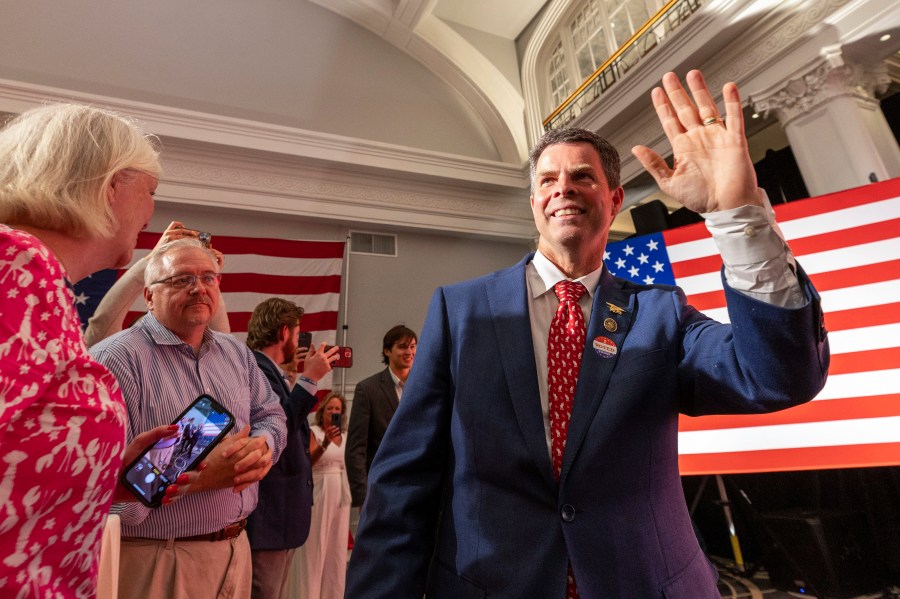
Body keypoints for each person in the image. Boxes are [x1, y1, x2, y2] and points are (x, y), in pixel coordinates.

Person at [345, 70, 830, 598]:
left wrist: (737, 216)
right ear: (534, 204)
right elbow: (403, 483)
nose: (564, 189)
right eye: (548, 181)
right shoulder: (459, 311)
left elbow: (781, 377)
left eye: (582, 177)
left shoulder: (661, 313)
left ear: (615, 198)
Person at [0, 103, 187, 598]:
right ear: (110, 187)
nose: (151, 211)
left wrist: (109, 475)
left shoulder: (36, 278)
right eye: (150, 192)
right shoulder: (16, 268)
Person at [90, 238, 288, 598]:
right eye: (182, 279)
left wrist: (263, 447)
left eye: (208, 277)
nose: (199, 288)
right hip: (159, 558)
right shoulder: (115, 360)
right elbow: (106, 497)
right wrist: (195, 478)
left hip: (235, 548)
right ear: (149, 296)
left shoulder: (236, 353)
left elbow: (272, 414)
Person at [243, 297, 338, 599]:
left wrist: (296, 377)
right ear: (284, 333)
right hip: (270, 512)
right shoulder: (257, 370)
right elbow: (278, 424)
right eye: (297, 333)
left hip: (282, 514)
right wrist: (310, 379)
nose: (298, 340)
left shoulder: (275, 373)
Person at [84, 220, 231, 346]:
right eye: (153, 332)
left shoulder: (221, 353)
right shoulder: (119, 353)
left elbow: (220, 335)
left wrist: (209, 271)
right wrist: (151, 259)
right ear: (149, 298)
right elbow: (102, 324)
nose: (199, 289)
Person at [345, 325, 417, 507]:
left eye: (413, 346)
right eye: (402, 346)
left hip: (418, 487)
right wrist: (362, 497)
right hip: (381, 488)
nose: (409, 352)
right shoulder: (368, 389)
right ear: (387, 351)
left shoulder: (424, 386)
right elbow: (356, 449)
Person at [293, 392, 351, 599]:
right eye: (330, 409)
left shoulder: (345, 436)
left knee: (336, 549)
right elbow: (308, 463)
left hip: (341, 494)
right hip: (319, 489)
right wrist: (325, 443)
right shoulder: (313, 432)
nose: (334, 412)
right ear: (321, 411)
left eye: (338, 410)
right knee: (315, 547)